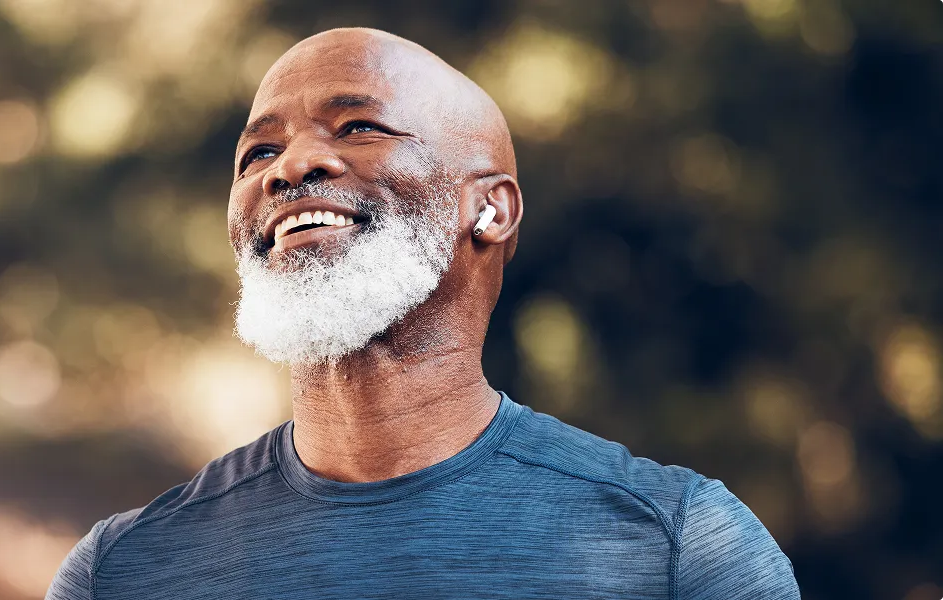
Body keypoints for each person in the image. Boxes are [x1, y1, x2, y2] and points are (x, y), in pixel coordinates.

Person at [46, 27, 800, 599]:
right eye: (256, 153)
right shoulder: (121, 572)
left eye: (359, 127)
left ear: (491, 209)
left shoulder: (681, 550)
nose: (291, 166)